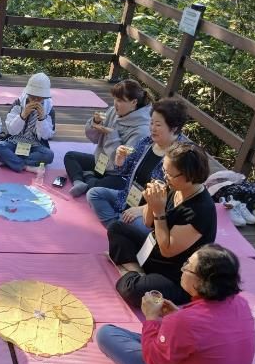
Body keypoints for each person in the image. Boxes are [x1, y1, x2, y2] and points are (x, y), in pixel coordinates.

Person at [97, 244, 255, 364]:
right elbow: (209, 335)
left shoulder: (185, 321)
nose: (182, 268)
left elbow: (153, 361)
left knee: (106, 334)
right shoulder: (241, 304)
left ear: (201, 282)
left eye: (187, 266)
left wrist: (151, 318)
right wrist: (176, 316)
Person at [108, 142, 216, 307]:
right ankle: (137, 273)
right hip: (153, 250)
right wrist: (151, 202)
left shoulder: (200, 210)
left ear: (190, 175)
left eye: (170, 174)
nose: (165, 177)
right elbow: (147, 223)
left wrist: (159, 211)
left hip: (176, 273)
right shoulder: (174, 187)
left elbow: (167, 250)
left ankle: (132, 274)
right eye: (164, 171)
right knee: (116, 228)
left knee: (131, 290)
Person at [86, 98, 187, 231]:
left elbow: (177, 198)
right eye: (151, 123)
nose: (152, 128)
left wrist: (142, 209)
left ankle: (120, 229)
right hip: (128, 197)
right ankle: (117, 229)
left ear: (174, 128)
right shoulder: (147, 142)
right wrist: (120, 160)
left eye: (158, 125)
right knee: (94, 194)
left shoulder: (182, 155)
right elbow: (124, 171)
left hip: (151, 212)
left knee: (126, 222)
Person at [64, 79, 152, 197]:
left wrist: (112, 135)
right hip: (101, 163)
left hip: (117, 174)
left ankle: (88, 176)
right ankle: (79, 181)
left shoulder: (142, 130)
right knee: (70, 156)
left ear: (134, 102)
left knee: (98, 189)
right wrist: (95, 122)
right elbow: (93, 138)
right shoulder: (112, 111)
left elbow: (123, 165)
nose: (115, 104)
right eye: (115, 99)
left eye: (120, 100)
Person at [0, 73, 55, 173]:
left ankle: (11, 161)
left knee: (48, 155)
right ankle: (26, 166)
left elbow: (47, 136)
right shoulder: (18, 103)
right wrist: (23, 115)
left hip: (35, 145)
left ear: (45, 97)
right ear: (28, 93)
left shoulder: (49, 109)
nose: (36, 100)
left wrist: (42, 119)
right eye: (33, 96)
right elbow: (11, 130)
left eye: (39, 98)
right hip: (14, 141)